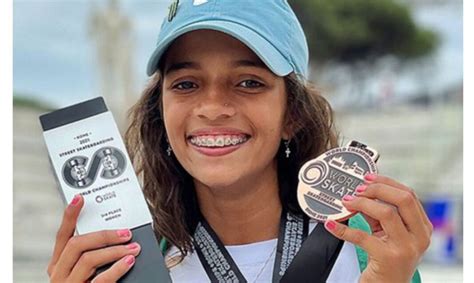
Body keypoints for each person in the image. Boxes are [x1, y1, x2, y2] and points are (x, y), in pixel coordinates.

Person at [47, 1, 432, 282]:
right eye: (185, 84)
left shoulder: (370, 253)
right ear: (161, 116)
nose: (213, 108)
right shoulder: (129, 266)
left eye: (249, 82)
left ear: (292, 115)